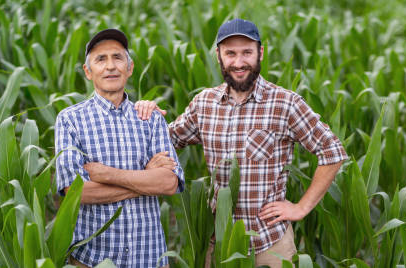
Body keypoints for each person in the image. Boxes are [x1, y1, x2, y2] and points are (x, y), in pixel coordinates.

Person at [135, 19, 347, 267]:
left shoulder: (285, 103)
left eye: (247, 52)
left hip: (269, 246)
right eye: (230, 53)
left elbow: (332, 151)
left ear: (260, 53)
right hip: (219, 244)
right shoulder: (204, 104)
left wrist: (301, 207)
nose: (238, 63)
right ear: (218, 56)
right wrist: (145, 113)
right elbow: (168, 139)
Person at [54, 28, 184, 267]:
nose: (110, 66)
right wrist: (146, 181)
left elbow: (168, 183)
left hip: (150, 258)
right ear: (88, 71)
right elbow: (76, 192)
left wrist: (107, 175)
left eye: (117, 57)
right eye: (100, 59)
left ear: (130, 67)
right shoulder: (70, 119)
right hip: (93, 260)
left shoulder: (151, 119)